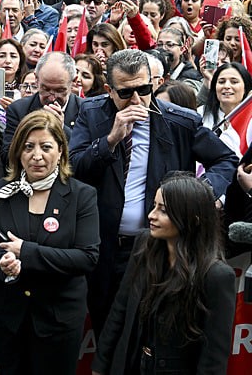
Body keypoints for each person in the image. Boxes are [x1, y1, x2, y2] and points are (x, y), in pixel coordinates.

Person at [69, 49, 237, 337]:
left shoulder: (180, 121)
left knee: (152, 335)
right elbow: (74, 167)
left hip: (158, 249)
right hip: (105, 247)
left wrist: (197, 196)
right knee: (107, 332)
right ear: (109, 90)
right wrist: (110, 141)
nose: (136, 100)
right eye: (126, 92)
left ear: (155, 84)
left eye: (144, 89)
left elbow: (225, 160)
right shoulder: (91, 113)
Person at [0, 111, 99, 375]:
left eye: (46, 147)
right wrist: (2, 262)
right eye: (28, 147)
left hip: (59, 318)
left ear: (61, 151)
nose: (37, 155)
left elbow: (87, 257)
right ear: (18, 152)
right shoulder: (0, 191)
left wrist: (26, 252)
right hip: (8, 316)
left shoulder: (82, 195)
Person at [93, 173, 236, 374]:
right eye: (154, 206)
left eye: (163, 210)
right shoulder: (144, 245)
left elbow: (214, 355)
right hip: (131, 365)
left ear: (192, 219)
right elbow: (119, 310)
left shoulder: (217, 276)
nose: (152, 215)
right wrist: (100, 366)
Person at [2, 52, 83, 162]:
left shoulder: (86, 110)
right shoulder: (18, 110)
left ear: (74, 81)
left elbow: (85, 160)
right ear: (36, 79)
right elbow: (8, 157)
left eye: (60, 90)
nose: (52, 98)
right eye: (46, 89)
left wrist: (62, 129)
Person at [199, 62, 252, 158]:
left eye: (234, 82)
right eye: (221, 82)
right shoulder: (200, 114)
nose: (226, 86)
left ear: (245, 87)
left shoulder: (250, 121)